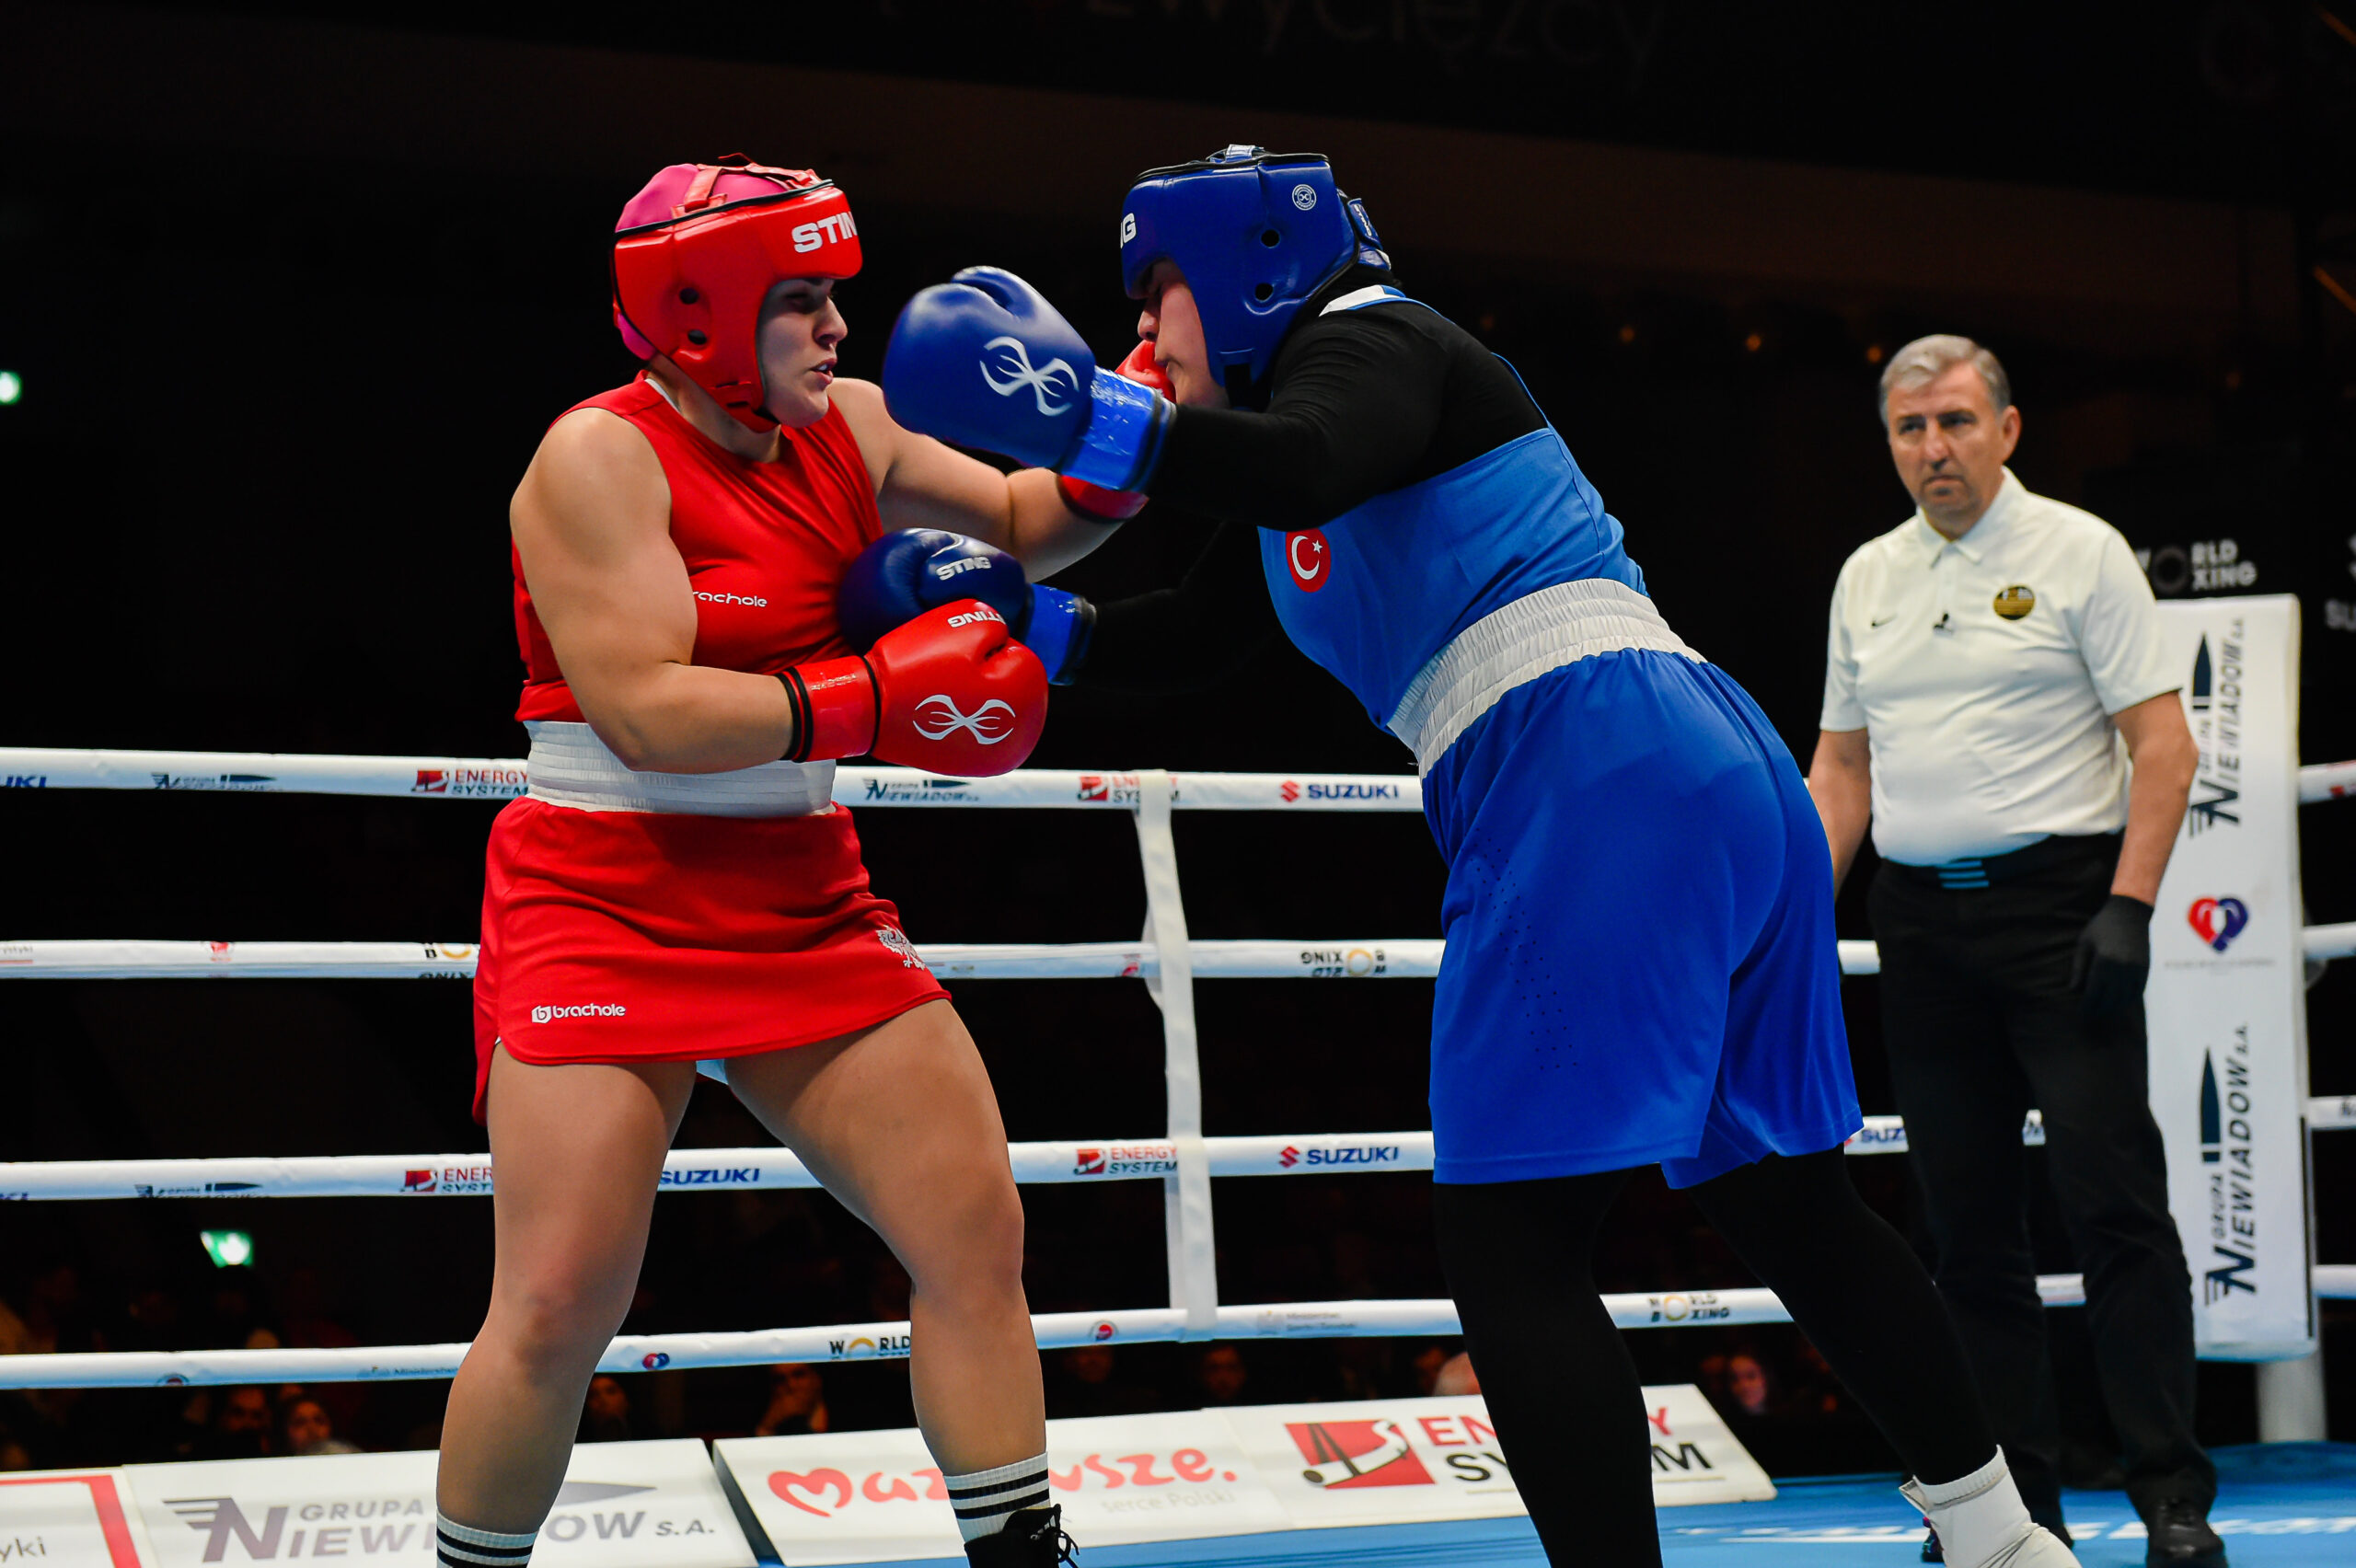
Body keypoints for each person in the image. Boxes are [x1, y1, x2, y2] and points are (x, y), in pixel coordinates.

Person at [877, 145, 2078, 1568]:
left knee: (1513, 1250)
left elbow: (1303, 461)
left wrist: (1087, 412)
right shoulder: (1308, 449)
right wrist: (1021, 628)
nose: (1143, 331)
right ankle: (2004, 1542)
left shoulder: (1372, 340)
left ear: (1253, 266)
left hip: (1590, 769)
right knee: (1784, 1198)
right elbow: (1201, 633)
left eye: (1159, 292)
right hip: (1687, 764)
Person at [437, 156, 1142, 1568]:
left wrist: (1134, 418)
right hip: (604, 886)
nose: (836, 327)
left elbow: (1025, 525)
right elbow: (645, 711)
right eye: (802, 300)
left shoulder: (855, 428)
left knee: (973, 1236)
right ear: (701, 310)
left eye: (833, 297)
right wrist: (874, 699)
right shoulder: (598, 458)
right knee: (560, 1301)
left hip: (801, 885)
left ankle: (1022, 1556)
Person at [1807, 336, 2219, 1566]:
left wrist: (2130, 906)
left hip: (2062, 914)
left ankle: (2172, 1497)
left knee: (2115, 1210)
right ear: (1889, 443)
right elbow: (1842, 771)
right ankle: (2009, 1518)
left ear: (2007, 428)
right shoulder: (1867, 575)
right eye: (1911, 428)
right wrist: (1788, 925)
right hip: (1921, 928)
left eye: (1954, 421)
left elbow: (2163, 744)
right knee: (1965, 1236)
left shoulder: (2080, 550)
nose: (1934, 448)